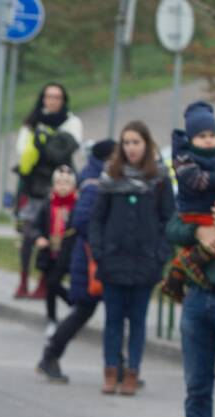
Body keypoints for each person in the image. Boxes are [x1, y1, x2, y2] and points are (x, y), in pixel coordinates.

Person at [89, 120, 173, 396]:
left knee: (138, 320)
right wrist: (100, 252)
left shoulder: (158, 179)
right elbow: (97, 220)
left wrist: (160, 254)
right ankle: (111, 371)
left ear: (146, 145)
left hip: (145, 262)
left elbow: (168, 221)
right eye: (126, 143)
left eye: (136, 142)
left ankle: (132, 373)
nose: (131, 148)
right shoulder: (110, 178)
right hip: (113, 261)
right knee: (113, 320)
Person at [36, 139, 116, 383]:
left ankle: (119, 366)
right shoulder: (94, 183)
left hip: (97, 260)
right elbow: (82, 222)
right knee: (82, 311)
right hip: (90, 261)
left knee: (108, 313)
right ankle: (50, 355)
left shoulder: (101, 178)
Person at [161, 200, 215, 417]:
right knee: (197, 388)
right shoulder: (200, 191)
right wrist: (200, 230)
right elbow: (172, 228)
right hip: (199, 296)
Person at [14, 82, 83, 298]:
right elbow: (22, 150)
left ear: (63, 101)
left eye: (57, 97)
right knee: (28, 233)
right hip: (33, 186)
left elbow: (62, 153)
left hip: (59, 186)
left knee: (54, 234)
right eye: (48, 96)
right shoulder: (32, 121)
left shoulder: (71, 123)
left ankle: (44, 282)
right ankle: (23, 280)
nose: (52, 101)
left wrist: (44, 145)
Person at [162, 102, 215, 303]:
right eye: (202, 136)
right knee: (213, 237)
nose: (209, 141)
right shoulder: (184, 157)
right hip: (195, 212)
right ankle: (182, 268)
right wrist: (196, 231)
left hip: (208, 212)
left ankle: (179, 268)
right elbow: (197, 180)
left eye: (212, 135)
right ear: (191, 138)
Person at [32, 166, 77, 337]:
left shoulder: (76, 205)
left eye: (66, 182)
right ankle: (51, 318)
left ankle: (73, 303)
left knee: (53, 282)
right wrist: (39, 238)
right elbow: (36, 226)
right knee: (50, 287)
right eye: (59, 182)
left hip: (68, 253)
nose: (62, 186)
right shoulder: (48, 203)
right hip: (49, 251)